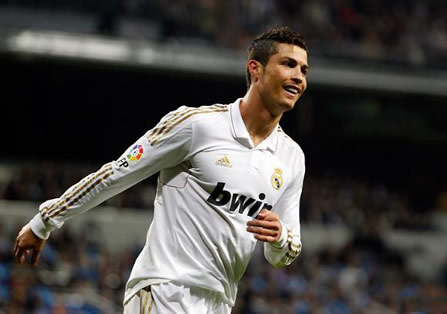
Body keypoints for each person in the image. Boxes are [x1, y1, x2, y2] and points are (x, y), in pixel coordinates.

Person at [13, 26, 309, 313]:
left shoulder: (291, 157)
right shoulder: (196, 126)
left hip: (219, 302)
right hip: (165, 290)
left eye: (303, 70)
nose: (298, 76)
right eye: (288, 64)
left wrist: (280, 235)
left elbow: (284, 254)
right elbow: (116, 173)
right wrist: (46, 220)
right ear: (255, 69)